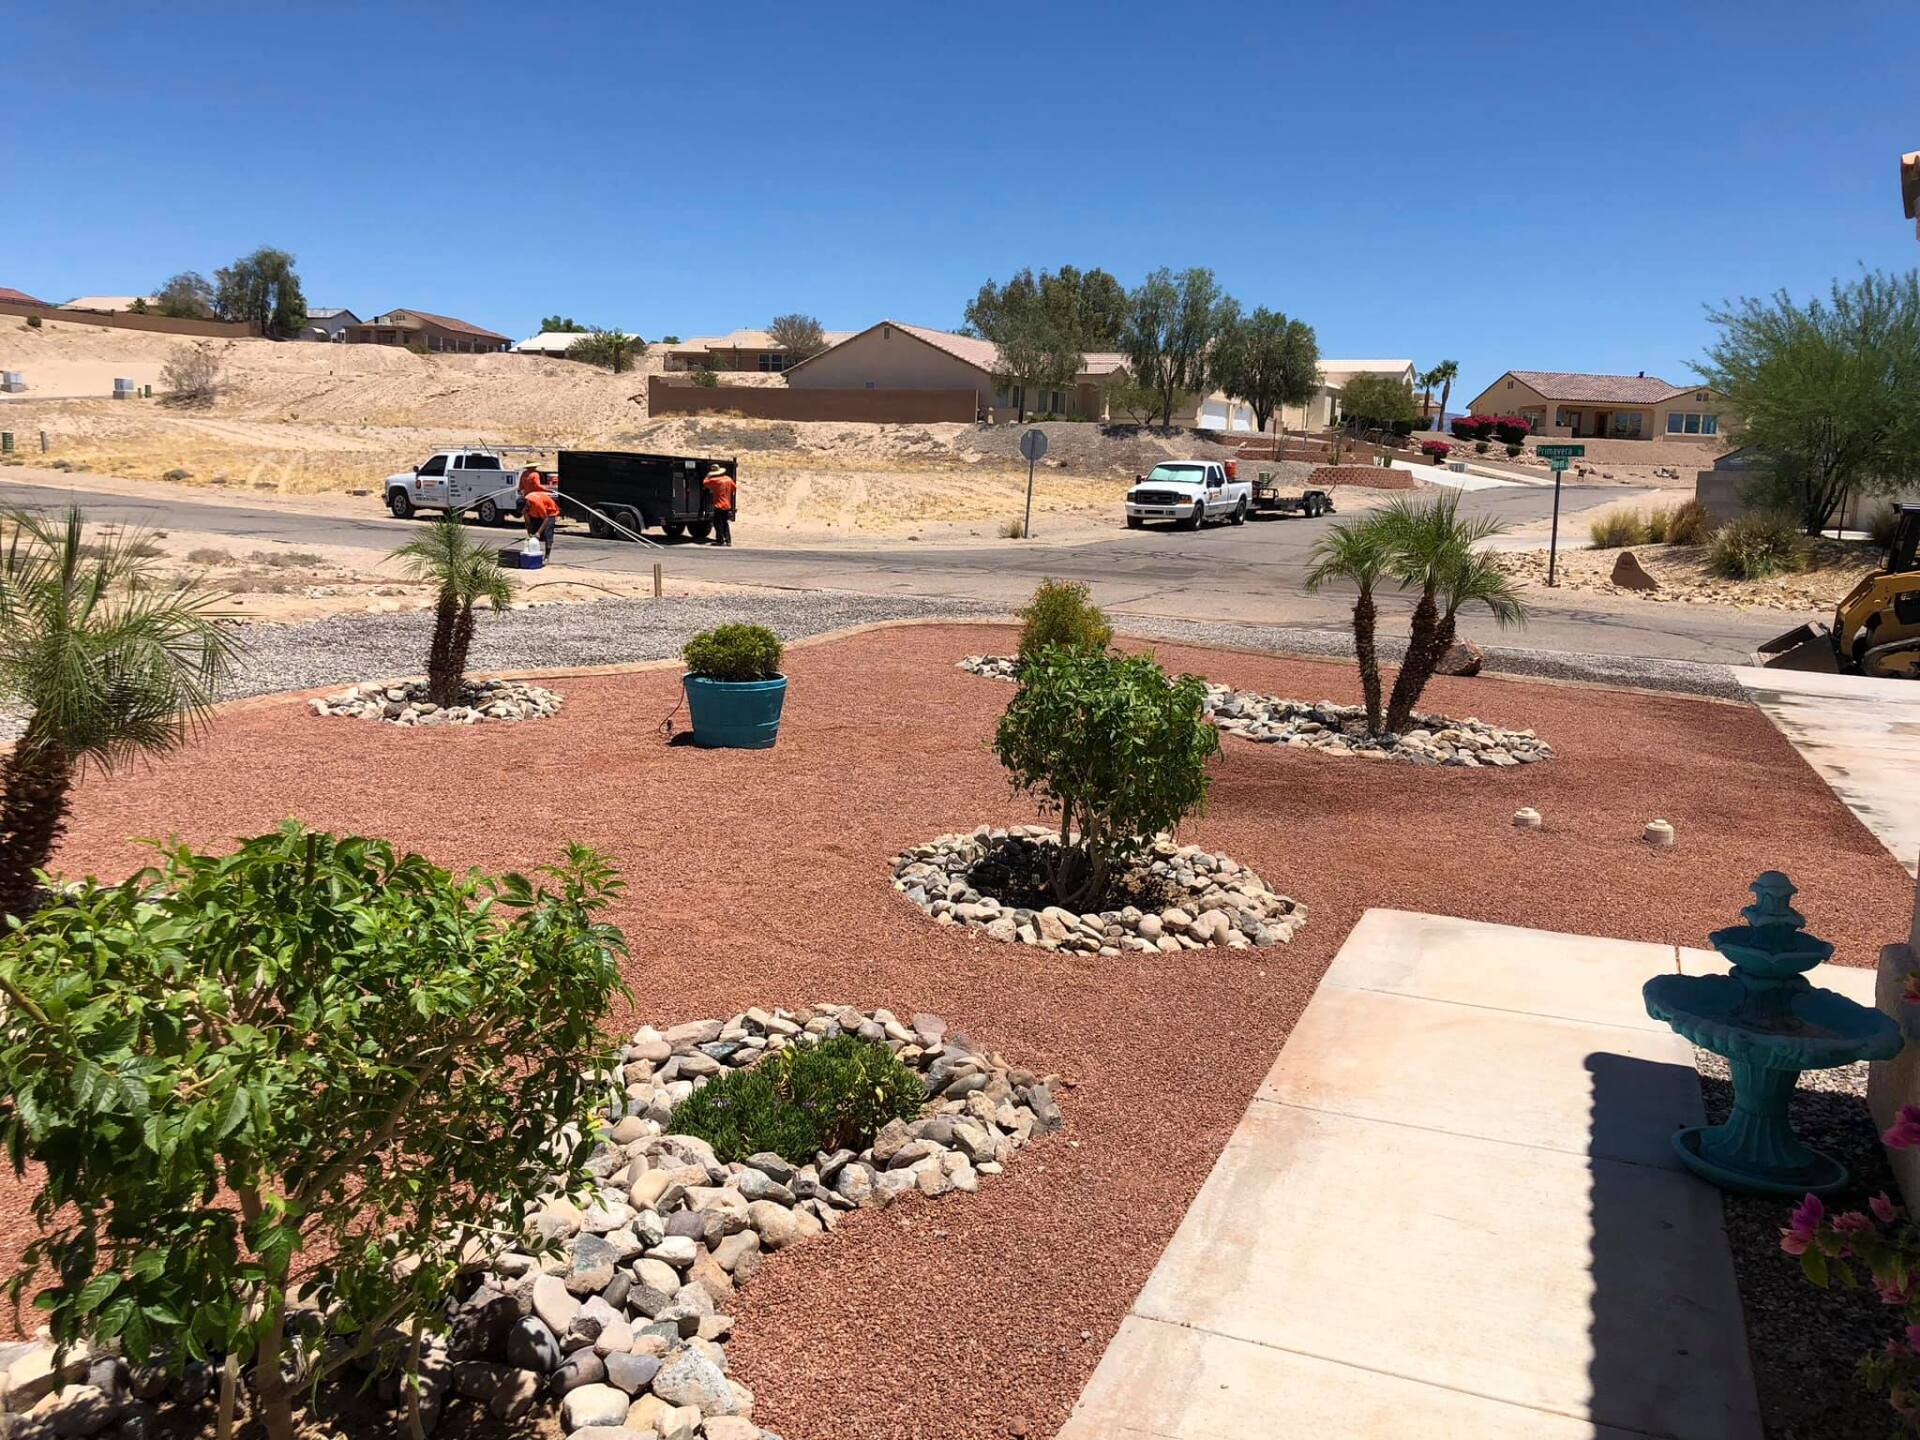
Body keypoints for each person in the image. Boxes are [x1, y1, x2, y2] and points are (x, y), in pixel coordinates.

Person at [522, 481, 560, 557]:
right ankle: (534, 553)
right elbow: (528, 522)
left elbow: (546, 519)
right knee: (533, 534)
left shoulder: (537, 504)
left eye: (526, 509)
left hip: (549, 512)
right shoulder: (525, 507)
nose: (525, 511)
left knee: (547, 533)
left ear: (527, 503)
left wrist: (538, 532)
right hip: (536, 513)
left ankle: (547, 556)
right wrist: (530, 533)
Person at [702, 465, 736, 547]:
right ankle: (728, 540)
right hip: (727, 504)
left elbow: (704, 482)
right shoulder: (728, 479)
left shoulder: (715, 480)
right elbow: (734, 488)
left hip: (719, 504)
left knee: (718, 523)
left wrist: (708, 475)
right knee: (725, 523)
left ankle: (720, 540)